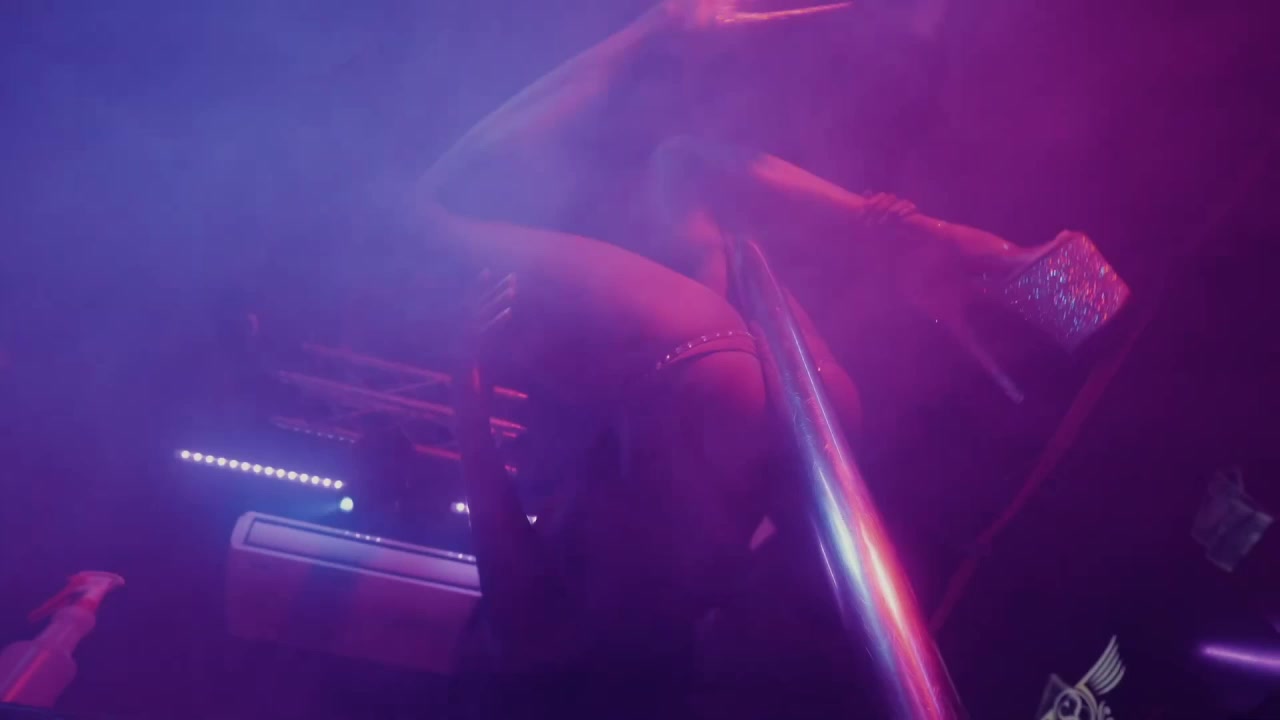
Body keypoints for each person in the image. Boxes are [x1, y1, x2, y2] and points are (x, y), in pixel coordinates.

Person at [417, 1, 1129, 717]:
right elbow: (497, 525)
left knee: (682, 172)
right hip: (705, 399)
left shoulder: (626, 653)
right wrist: (463, 379)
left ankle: (951, 254)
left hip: (789, 428)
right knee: (430, 213)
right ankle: (669, 30)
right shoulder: (522, 657)